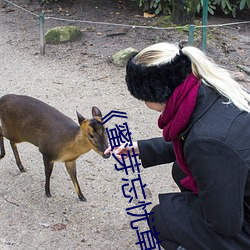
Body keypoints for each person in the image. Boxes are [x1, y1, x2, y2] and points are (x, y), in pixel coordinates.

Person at [105, 42, 250, 250]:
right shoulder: (210, 88)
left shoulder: (207, 142)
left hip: (241, 224)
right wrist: (141, 148)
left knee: (160, 219)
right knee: (181, 170)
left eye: (142, 98)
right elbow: (193, 139)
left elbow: (225, 224)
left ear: (154, 94)